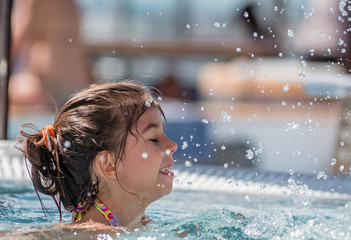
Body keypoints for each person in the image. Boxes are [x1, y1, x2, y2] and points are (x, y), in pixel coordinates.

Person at [18, 81, 178, 230]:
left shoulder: (141, 225)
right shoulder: (89, 234)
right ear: (109, 165)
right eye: (153, 139)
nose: (172, 145)